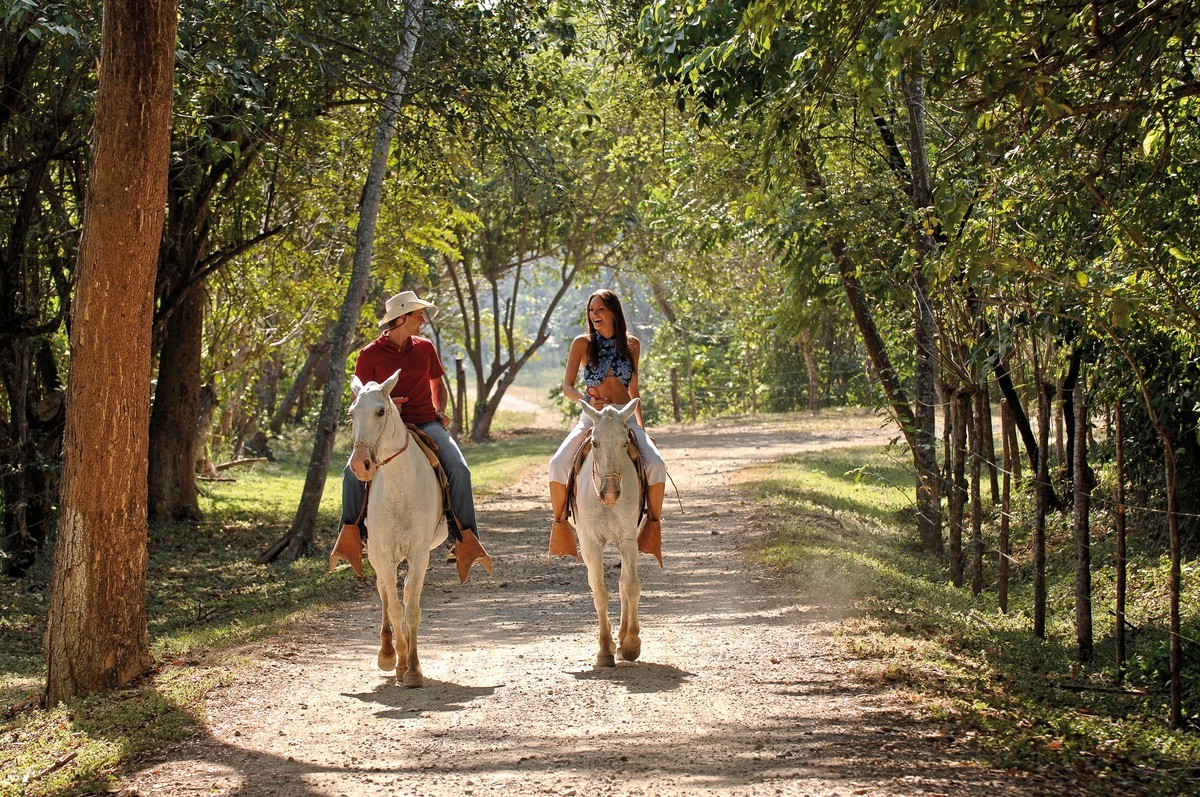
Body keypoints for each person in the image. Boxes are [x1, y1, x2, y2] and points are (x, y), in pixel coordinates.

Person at [330, 290, 484, 580]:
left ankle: (462, 539)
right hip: (385, 430)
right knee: (351, 474)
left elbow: (437, 384)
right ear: (400, 318)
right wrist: (387, 407)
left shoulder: (425, 348)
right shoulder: (369, 354)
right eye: (417, 315)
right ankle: (353, 536)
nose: (422, 320)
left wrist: (440, 410)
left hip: (425, 423)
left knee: (460, 470)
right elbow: (361, 398)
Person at [548, 289, 666, 565]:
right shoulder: (582, 343)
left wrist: (642, 428)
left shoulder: (633, 344)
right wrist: (587, 399)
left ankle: (653, 525)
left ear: (614, 311)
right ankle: (561, 524)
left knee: (657, 465)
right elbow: (567, 387)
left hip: (623, 419)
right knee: (557, 464)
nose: (595, 315)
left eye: (600, 309)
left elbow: (634, 390)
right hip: (592, 418)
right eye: (591, 311)